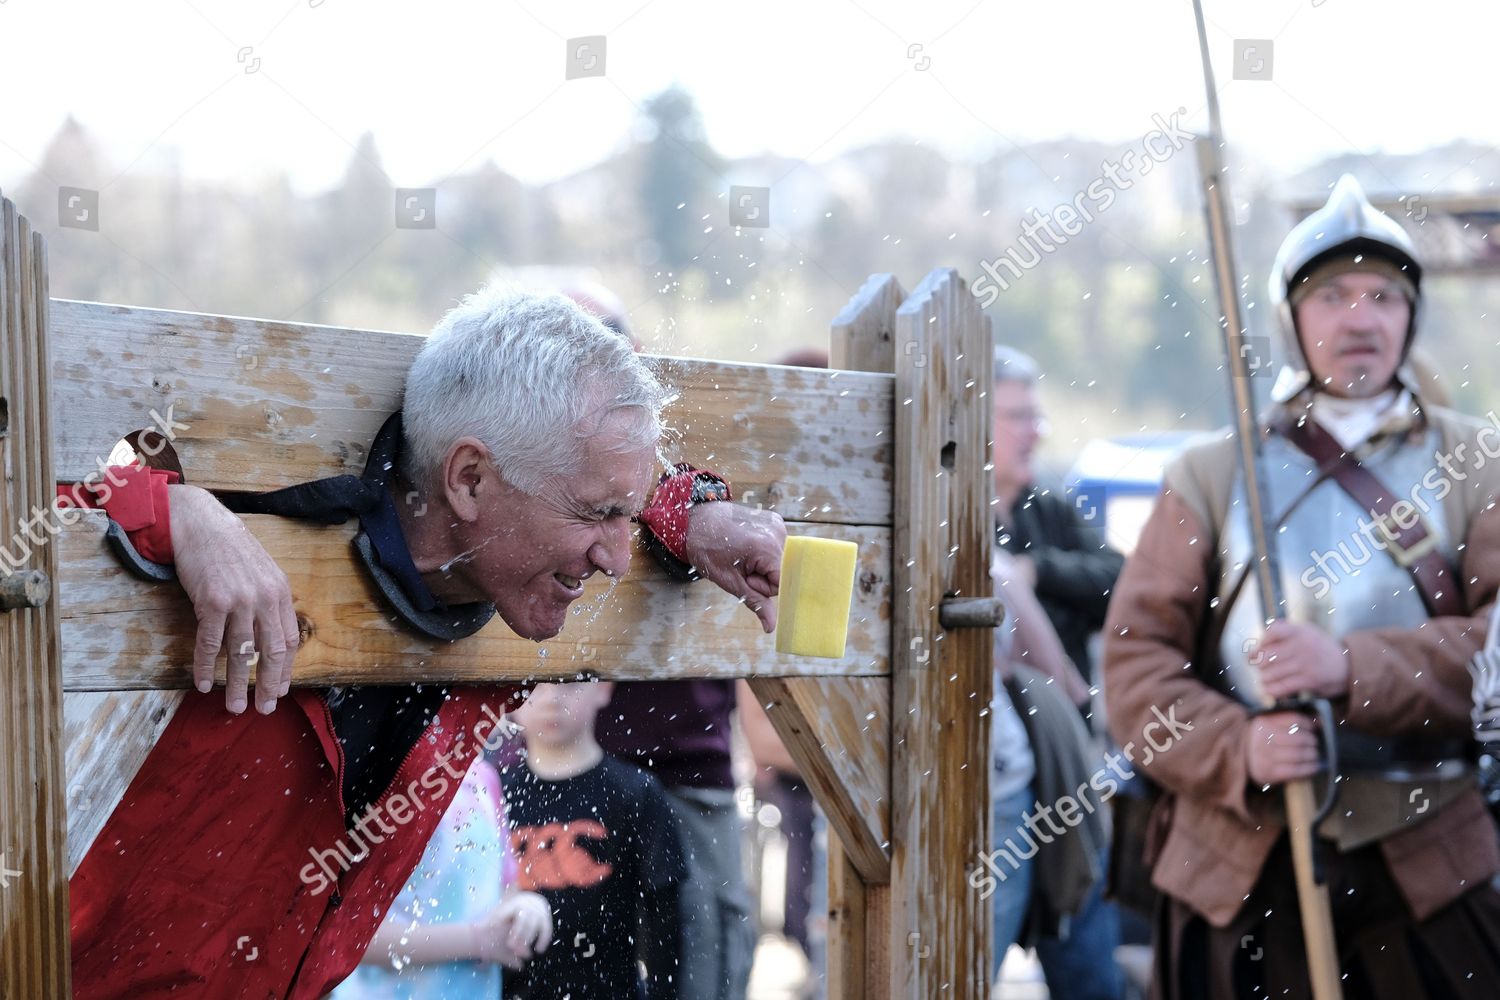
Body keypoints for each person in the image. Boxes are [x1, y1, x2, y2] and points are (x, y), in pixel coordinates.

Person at [66, 288, 787, 999]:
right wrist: (176, 509)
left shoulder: (509, 594)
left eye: (624, 518)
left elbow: (592, 456)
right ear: (468, 479)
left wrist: (685, 511)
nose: (615, 560)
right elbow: (55, 477)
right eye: (597, 516)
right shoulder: (270, 506)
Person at [1103, 175, 1500, 998]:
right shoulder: (1212, 473)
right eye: (1332, 296)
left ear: (1410, 316)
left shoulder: (1480, 462)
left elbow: (1497, 651)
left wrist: (1348, 669)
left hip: (1430, 864)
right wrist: (1236, 745)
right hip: (1237, 871)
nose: (1360, 318)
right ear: (1292, 320)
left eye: (1384, 296)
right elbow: (1135, 669)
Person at [984, 345, 1126, 1000]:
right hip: (994, 777)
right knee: (976, 950)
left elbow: (1120, 581)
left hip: (1065, 760)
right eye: (1016, 416)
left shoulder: (1048, 510)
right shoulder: (947, 515)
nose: (1034, 431)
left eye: (1036, 415)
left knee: (1086, 962)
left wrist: (1037, 572)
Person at [500, 680, 686, 999]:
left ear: (604, 688)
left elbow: (666, 918)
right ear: (509, 698)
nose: (551, 699)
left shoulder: (636, 793)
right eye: (533, 686)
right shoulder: (494, 795)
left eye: (568, 683)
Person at [333, 757, 552, 999]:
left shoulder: (483, 778)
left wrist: (526, 908)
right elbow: (349, 937)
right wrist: (475, 941)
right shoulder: (382, 781)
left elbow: (505, 890)